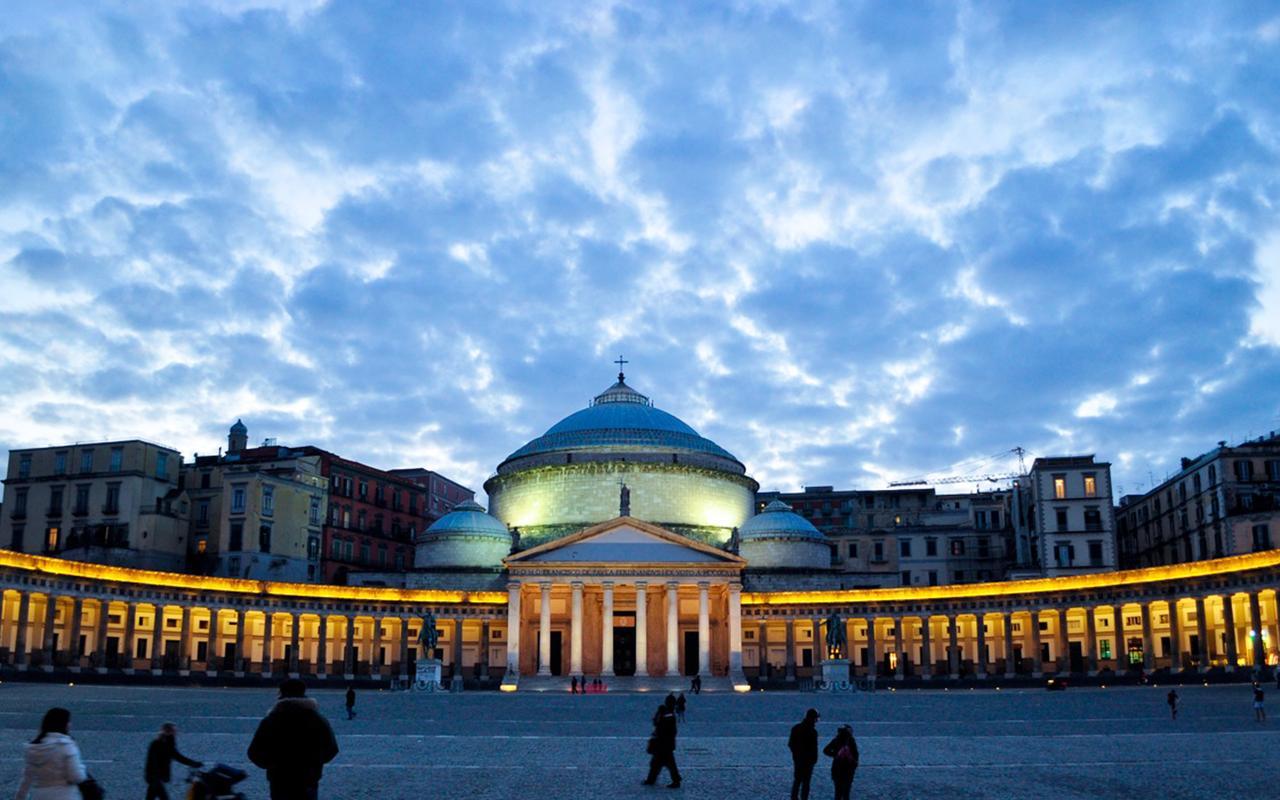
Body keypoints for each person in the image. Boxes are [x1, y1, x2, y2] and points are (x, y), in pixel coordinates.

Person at [248, 678, 340, 800]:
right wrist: (314, 764)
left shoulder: (272, 720)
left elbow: (254, 751)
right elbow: (332, 748)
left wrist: (272, 765)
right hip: (308, 779)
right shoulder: (317, 719)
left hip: (279, 780)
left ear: (281, 694)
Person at [16, 707, 88, 800]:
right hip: (65, 795)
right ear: (64, 724)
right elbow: (76, 777)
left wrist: (20, 797)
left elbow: (27, 778)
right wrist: (82, 767)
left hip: (40, 795)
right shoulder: (66, 745)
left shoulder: (34, 748)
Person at [145, 722, 202, 800]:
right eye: (175, 730)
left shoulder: (165, 742)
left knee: (151, 796)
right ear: (170, 731)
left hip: (155, 777)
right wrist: (192, 763)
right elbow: (176, 756)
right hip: (155, 777)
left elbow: (176, 756)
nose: (176, 732)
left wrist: (192, 763)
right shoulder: (159, 743)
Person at [642, 698, 681, 788]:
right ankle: (652, 779)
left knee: (663, 763)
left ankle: (674, 780)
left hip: (663, 743)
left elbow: (658, 724)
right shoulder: (669, 713)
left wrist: (658, 713)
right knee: (660, 763)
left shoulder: (667, 714)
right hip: (666, 743)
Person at [788, 708, 820, 800]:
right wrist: (814, 759)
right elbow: (814, 748)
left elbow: (791, 744)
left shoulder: (796, 728)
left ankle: (794, 798)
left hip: (798, 759)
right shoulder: (813, 732)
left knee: (797, 780)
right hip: (808, 761)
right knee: (806, 782)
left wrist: (796, 755)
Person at [822, 724, 859, 800]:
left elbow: (826, 750)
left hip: (837, 769)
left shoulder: (836, 740)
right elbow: (856, 755)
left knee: (838, 792)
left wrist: (835, 755)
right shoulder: (851, 741)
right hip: (847, 769)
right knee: (846, 792)